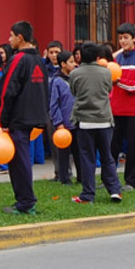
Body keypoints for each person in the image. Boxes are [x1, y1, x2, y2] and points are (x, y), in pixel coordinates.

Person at [0, 20, 47, 214]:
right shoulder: (38, 61)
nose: (9, 40)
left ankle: (25, 202)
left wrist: (3, 120)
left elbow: (8, 91)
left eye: (11, 36)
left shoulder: (18, 59)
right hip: (34, 116)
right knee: (23, 159)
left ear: (20, 37)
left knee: (19, 161)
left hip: (19, 118)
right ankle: (25, 200)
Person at [69, 42, 121, 203]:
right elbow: (109, 91)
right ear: (98, 57)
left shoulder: (75, 74)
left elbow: (74, 92)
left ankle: (87, 194)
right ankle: (114, 190)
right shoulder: (106, 73)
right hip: (104, 120)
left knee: (87, 159)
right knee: (108, 157)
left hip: (84, 121)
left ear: (80, 57)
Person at [111, 23, 135, 190]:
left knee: (133, 147)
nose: (122, 41)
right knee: (112, 146)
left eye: (126, 38)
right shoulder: (117, 58)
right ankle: (110, 179)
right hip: (116, 109)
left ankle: (131, 181)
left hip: (134, 110)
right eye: (120, 38)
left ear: (134, 39)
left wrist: (120, 82)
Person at [47, 50, 76, 185]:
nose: (74, 64)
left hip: (76, 121)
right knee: (63, 153)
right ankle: (64, 178)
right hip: (63, 123)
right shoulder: (56, 81)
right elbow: (54, 104)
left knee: (78, 151)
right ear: (63, 64)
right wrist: (58, 122)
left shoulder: (75, 78)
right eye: (71, 62)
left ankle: (81, 176)